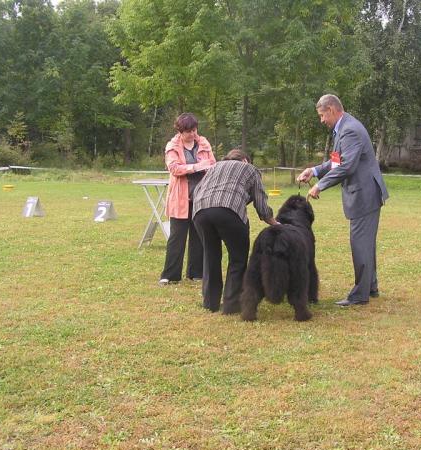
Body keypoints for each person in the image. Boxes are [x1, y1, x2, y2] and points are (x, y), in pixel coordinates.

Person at [297, 94, 389, 307]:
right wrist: (314, 171)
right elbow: (337, 161)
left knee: (360, 243)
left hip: (364, 195)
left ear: (331, 109)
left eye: (322, 115)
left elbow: (347, 166)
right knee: (365, 243)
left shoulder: (350, 130)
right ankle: (370, 286)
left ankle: (359, 295)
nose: (321, 120)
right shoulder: (344, 128)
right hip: (365, 193)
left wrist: (320, 185)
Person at [192, 149, 278, 314]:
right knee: (238, 259)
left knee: (210, 256)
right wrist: (274, 223)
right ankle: (231, 305)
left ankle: (210, 303)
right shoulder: (250, 169)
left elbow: (196, 191)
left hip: (200, 211)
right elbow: (260, 202)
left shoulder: (214, 167)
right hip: (229, 211)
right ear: (245, 160)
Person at [159, 113, 216, 285]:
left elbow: (212, 163)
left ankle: (196, 272)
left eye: (194, 130)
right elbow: (174, 168)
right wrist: (196, 167)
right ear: (180, 131)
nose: (192, 134)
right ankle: (170, 274)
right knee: (177, 237)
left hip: (200, 197)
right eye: (188, 131)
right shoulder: (172, 146)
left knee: (199, 235)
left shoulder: (204, 143)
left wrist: (204, 167)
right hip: (180, 198)